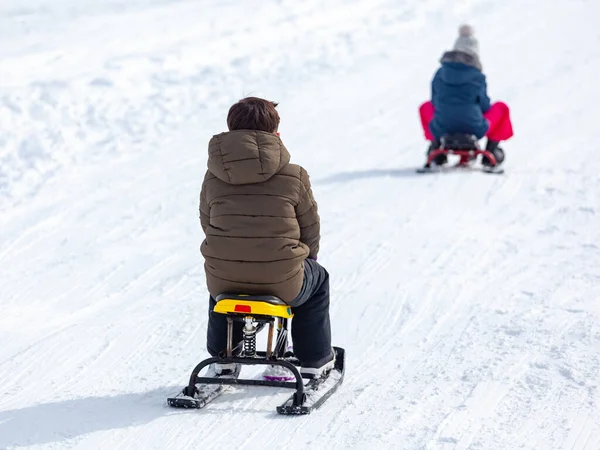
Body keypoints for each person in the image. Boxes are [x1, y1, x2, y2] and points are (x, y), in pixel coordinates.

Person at [199, 96, 334, 379]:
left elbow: (207, 223)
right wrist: (309, 256)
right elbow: (310, 227)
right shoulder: (294, 175)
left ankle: (222, 356)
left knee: (221, 275)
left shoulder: (212, 177)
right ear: (275, 132)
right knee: (318, 278)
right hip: (283, 280)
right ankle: (314, 358)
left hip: (224, 278)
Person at [419, 25, 514, 166]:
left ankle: (436, 146)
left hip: (442, 126)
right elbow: (484, 106)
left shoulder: (439, 73)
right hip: (474, 127)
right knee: (501, 108)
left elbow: (434, 102)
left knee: (425, 107)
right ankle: (491, 151)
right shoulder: (477, 77)